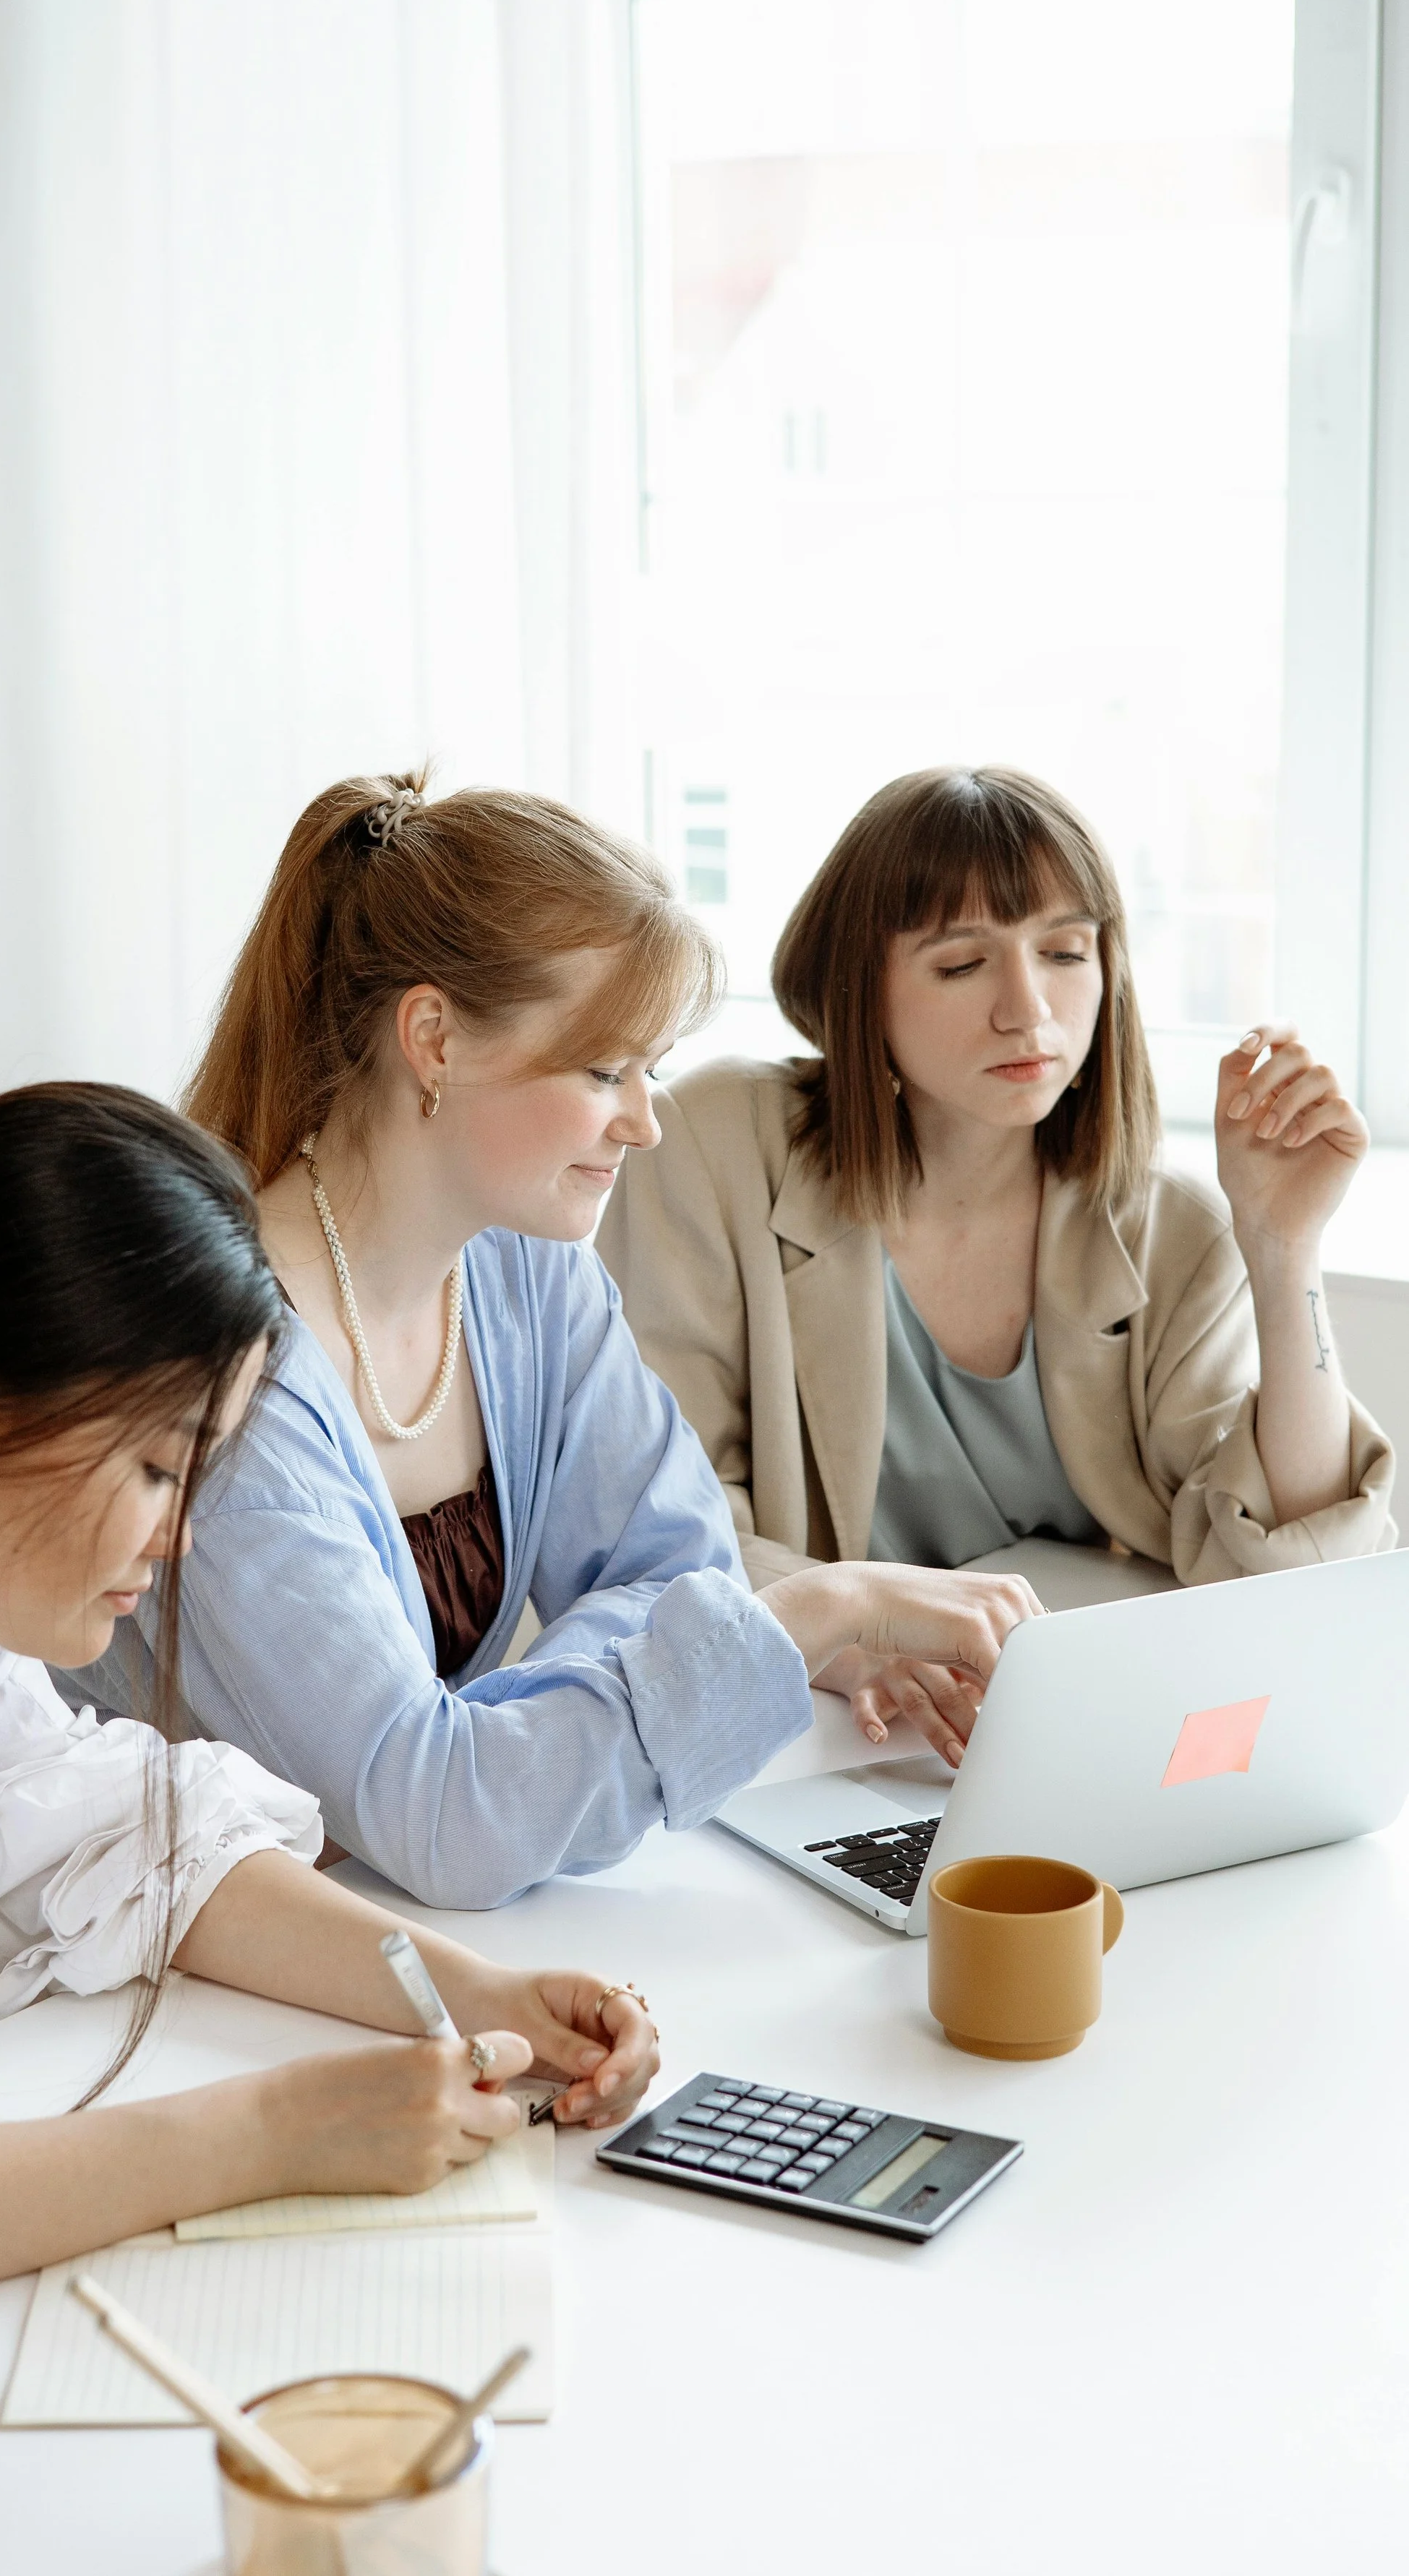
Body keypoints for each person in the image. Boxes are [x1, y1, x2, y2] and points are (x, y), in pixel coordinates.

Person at [0, 1083, 662, 2358]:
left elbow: (118, 1835)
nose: (182, 1529)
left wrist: (477, 1991)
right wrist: (275, 2134)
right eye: (159, 1465)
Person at [61, 773, 1041, 1908]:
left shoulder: (524, 1267)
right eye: (602, 1070)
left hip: (392, 1933)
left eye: (650, 1070)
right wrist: (816, 1611)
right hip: (160, 1974)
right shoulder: (228, 1374)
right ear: (434, 1039)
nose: (645, 1119)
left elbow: (679, 1569)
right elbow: (450, 1827)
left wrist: (499, 1750)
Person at [596, 767, 1396, 1767]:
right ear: (862, 988)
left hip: (1050, 1727)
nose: (1030, 1009)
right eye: (961, 963)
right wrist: (850, 1631)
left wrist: (1284, 1252)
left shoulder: (1168, 1223)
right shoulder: (713, 1147)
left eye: (1065, 951)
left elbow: (1299, 1567)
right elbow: (651, 1529)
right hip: (804, 1723)